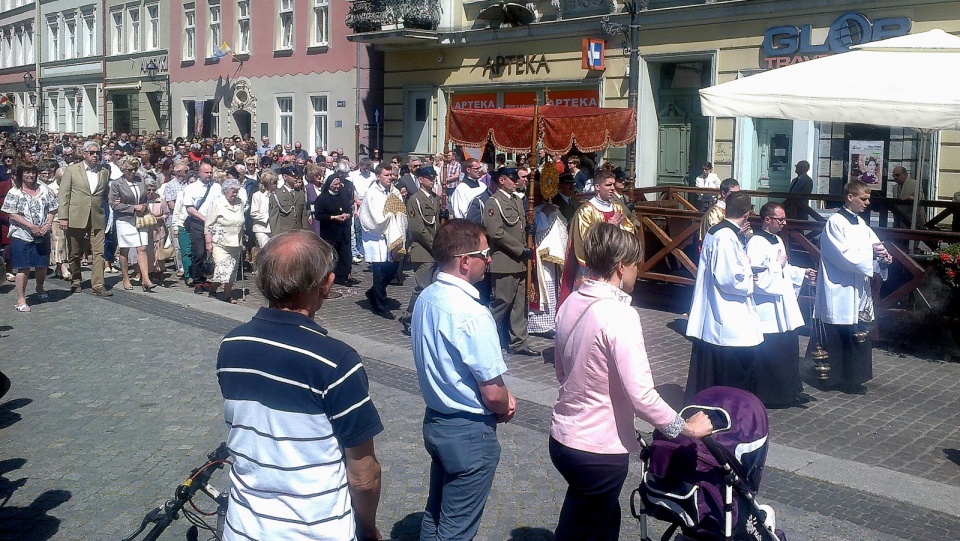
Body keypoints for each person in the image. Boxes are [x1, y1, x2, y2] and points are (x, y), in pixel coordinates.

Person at [217, 230, 384, 541]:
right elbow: (363, 476)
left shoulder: (232, 343)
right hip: (315, 530)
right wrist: (367, 528)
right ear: (326, 284)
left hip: (244, 527)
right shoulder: (336, 361)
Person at [550, 223, 713, 541]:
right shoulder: (620, 315)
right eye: (636, 263)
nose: (638, 270)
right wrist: (686, 428)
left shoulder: (570, 302)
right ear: (621, 266)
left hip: (563, 437)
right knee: (585, 527)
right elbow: (641, 395)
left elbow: (562, 370)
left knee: (596, 518)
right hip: (597, 449)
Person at [410, 219, 516, 541]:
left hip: (436, 420)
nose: (490, 260)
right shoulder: (472, 313)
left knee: (436, 511)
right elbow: (493, 392)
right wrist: (506, 404)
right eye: (485, 253)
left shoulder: (426, 297)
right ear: (464, 261)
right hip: (468, 430)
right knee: (457, 528)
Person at [812, 180, 891, 394]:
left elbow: (875, 245)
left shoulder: (860, 223)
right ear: (849, 197)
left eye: (868, 199)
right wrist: (871, 256)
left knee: (858, 330)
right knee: (839, 328)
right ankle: (833, 377)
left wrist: (883, 256)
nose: (867, 203)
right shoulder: (835, 223)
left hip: (859, 287)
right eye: (863, 199)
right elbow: (842, 256)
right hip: (840, 287)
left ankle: (854, 376)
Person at [684, 191, 763, 402]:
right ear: (747, 214)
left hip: (719, 303)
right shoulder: (725, 236)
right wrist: (749, 277)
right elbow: (727, 278)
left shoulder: (719, 232)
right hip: (727, 308)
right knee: (730, 357)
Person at [746, 202, 816, 407]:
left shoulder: (776, 239)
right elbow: (755, 278)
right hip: (766, 307)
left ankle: (788, 391)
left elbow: (783, 270)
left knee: (787, 349)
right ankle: (770, 395)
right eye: (781, 219)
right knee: (771, 353)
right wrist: (779, 266)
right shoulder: (756, 243)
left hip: (782, 307)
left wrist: (801, 273)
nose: (784, 223)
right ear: (767, 220)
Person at [558, 170, 635, 305]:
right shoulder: (586, 211)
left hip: (615, 262)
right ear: (597, 187)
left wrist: (619, 229)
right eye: (608, 185)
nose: (612, 188)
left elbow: (629, 231)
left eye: (613, 184)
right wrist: (608, 227)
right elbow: (584, 240)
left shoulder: (617, 207)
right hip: (594, 267)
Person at [482, 168, 537, 356]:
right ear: (502, 180)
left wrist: (530, 229)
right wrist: (520, 249)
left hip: (520, 261)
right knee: (501, 303)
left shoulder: (517, 200)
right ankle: (483, 337)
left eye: (516, 179)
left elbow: (519, 227)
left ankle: (518, 342)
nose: (515, 182)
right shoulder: (493, 202)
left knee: (520, 305)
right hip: (504, 261)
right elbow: (495, 232)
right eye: (512, 179)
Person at [58, 141, 113, 296]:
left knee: (99, 252)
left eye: (98, 153)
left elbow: (104, 193)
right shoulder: (72, 170)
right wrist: (63, 217)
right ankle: (76, 280)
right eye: (92, 153)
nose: (95, 155)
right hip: (76, 215)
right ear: (84, 154)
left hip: (97, 216)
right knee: (75, 252)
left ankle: (98, 284)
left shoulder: (104, 172)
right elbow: (64, 194)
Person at [2, 164, 58, 312]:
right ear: (21, 174)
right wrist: (30, 226)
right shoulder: (15, 192)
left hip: (42, 233)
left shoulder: (44, 189)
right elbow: (11, 213)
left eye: (33, 172)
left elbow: (53, 208)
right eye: (27, 172)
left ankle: (40, 287)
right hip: (22, 234)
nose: (30, 175)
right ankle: (21, 299)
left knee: (42, 265)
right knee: (23, 267)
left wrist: (48, 223)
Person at [359, 164, 407, 318]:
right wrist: (389, 212)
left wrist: (395, 212)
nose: (390, 178)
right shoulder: (372, 193)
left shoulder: (394, 191)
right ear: (377, 176)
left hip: (393, 235)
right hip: (377, 237)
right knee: (379, 271)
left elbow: (400, 211)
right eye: (386, 175)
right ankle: (380, 305)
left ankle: (373, 292)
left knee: (393, 268)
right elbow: (374, 217)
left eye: (391, 175)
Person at [400, 166, 441, 334]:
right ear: (421, 180)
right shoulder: (414, 200)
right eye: (429, 178)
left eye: (433, 177)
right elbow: (418, 229)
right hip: (423, 250)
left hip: (436, 249)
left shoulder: (436, 198)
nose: (432, 180)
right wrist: (435, 246)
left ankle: (426, 318)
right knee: (422, 287)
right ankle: (408, 317)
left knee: (434, 288)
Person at [110, 157, 158, 292]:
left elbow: (144, 199)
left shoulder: (140, 181)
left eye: (135, 169)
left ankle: (146, 278)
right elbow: (114, 205)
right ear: (123, 169)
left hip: (141, 218)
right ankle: (125, 277)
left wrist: (144, 206)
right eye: (130, 170)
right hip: (125, 219)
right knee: (125, 248)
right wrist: (133, 207)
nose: (133, 172)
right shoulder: (117, 184)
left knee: (142, 247)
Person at [528, 182, 567, 339]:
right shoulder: (529, 207)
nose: (539, 197)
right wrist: (544, 213)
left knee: (553, 288)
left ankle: (551, 322)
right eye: (536, 194)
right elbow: (532, 227)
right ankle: (538, 325)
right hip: (538, 255)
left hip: (553, 257)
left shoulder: (552, 207)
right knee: (542, 288)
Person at [204, 178, 245, 303]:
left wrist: (243, 237)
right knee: (222, 269)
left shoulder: (240, 202)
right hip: (220, 242)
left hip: (236, 242)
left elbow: (242, 222)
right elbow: (208, 224)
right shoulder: (217, 203)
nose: (235, 194)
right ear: (225, 190)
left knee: (232, 270)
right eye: (233, 191)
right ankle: (213, 288)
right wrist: (208, 242)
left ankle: (227, 295)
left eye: (237, 191)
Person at [313, 172, 358, 286]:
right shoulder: (322, 198)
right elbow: (319, 215)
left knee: (346, 253)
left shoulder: (343, 195)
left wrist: (347, 215)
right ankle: (331, 276)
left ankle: (345, 275)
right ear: (329, 185)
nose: (337, 186)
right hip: (330, 231)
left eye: (339, 184)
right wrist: (333, 217)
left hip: (343, 229)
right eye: (335, 184)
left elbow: (349, 209)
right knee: (332, 255)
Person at [184, 161, 222, 293]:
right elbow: (189, 208)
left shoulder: (217, 187)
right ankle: (198, 281)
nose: (209, 175)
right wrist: (205, 219)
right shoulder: (191, 188)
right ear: (199, 173)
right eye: (206, 172)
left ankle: (208, 278)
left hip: (215, 224)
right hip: (198, 223)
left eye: (211, 172)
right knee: (199, 252)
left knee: (211, 253)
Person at [699, 177, 741, 241]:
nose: (737, 196)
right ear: (723, 194)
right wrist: (738, 232)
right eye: (733, 193)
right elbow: (717, 236)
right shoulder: (713, 213)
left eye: (738, 193)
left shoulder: (738, 210)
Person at [270, 166, 307, 235]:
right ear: (285, 177)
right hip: (284, 233)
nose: (295, 177)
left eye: (296, 175)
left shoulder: (300, 193)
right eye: (292, 176)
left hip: (299, 233)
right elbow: (274, 219)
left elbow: (304, 216)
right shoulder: (277, 194)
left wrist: (306, 233)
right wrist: (277, 236)